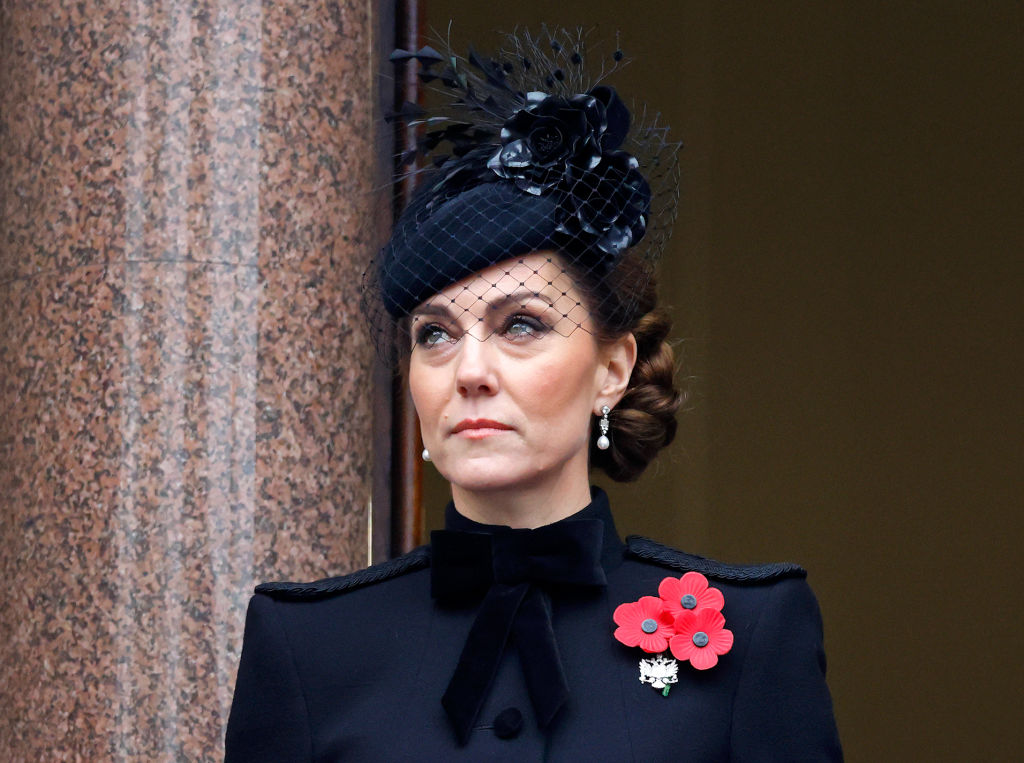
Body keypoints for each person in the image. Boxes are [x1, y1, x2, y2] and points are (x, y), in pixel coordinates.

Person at [225, 28, 842, 761]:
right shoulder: (308, 646)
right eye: (435, 334)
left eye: (521, 324)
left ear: (612, 369)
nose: (470, 369)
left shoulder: (751, 635)